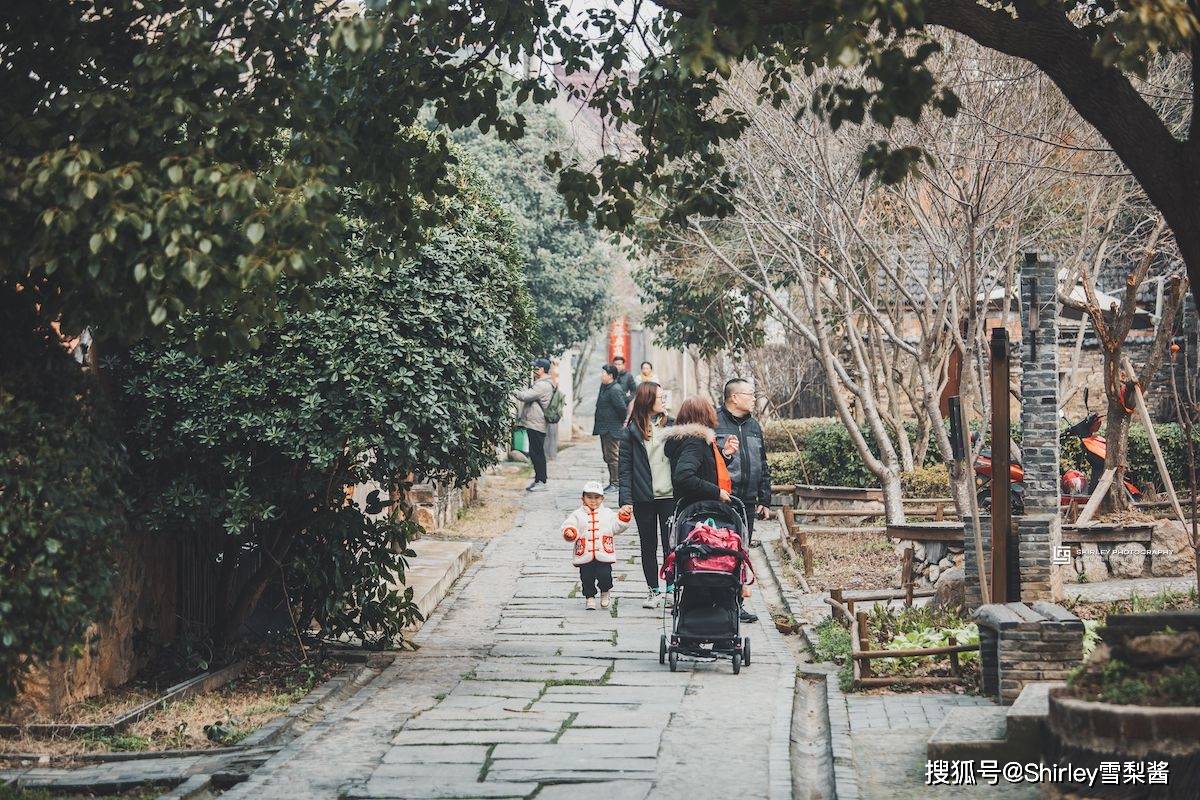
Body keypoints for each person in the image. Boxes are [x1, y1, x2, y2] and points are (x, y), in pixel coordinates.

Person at [663, 395, 759, 623]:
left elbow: (704, 470)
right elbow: (685, 476)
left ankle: (696, 605)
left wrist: (724, 455)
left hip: (693, 508)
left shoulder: (687, 440)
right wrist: (716, 492)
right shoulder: (695, 441)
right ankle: (725, 605)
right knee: (715, 557)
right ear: (704, 415)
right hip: (700, 512)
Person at [618, 381, 674, 609]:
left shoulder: (672, 426)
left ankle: (672, 589)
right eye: (660, 397)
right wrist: (626, 501)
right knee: (647, 545)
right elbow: (624, 469)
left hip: (670, 496)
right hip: (644, 498)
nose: (663, 401)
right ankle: (653, 590)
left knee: (671, 545)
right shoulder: (631, 432)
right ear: (648, 400)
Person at [715, 378, 773, 547]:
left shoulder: (754, 426)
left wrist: (764, 499)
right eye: (750, 395)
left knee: (743, 550)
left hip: (748, 503)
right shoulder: (714, 422)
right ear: (734, 397)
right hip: (722, 500)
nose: (754, 399)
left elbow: (762, 463)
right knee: (722, 552)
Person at [561, 481, 631, 610]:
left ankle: (605, 591)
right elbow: (569, 524)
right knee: (586, 577)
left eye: (597, 497)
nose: (593, 501)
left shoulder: (608, 514)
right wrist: (570, 531)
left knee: (605, 575)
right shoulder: (577, 514)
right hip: (585, 553)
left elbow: (617, 527)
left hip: (603, 552)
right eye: (589, 497)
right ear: (583, 498)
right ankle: (590, 597)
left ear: (602, 498)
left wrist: (623, 518)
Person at [513, 358, 555, 492]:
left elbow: (524, 396)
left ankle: (541, 481)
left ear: (542, 369)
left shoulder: (542, 385)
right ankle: (538, 480)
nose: (534, 370)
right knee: (536, 452)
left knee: (537, 453)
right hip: (536, 423)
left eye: (536, 368)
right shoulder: (545, 383)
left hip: (537, 423)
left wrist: (511, 388)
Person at [593, 365, 628, 492]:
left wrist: (619, 422)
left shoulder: (615, 389)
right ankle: (612, 481)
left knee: (613, 457)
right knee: (607, 456)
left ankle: (616, 483)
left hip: (612, 428)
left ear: (611, 376)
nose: (601, 375)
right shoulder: (605, 387)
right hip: (604, 428)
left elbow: (622, 408)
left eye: (604, 373)